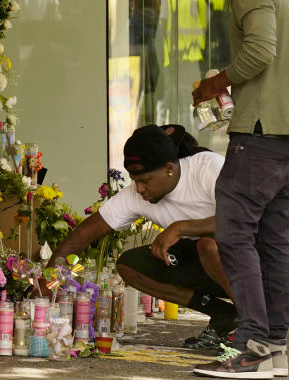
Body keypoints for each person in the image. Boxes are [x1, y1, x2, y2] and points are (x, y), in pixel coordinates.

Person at [191, 0, 289, 380]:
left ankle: (253, 344)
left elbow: (261, 51)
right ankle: (274, 343)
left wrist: (216, 82)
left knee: (234, 233)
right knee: (272, 237)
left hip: (259, 133)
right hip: (288, 130)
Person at [47, 124, 238, 348]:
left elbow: (241, 220)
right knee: (130, 266)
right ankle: (226, 315)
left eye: (145, 180)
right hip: (211, 266)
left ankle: (255, 324)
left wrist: (180, 228)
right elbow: (83, 235)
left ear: (169, 168)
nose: (139, 189)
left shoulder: (208, 167)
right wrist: (47, 280)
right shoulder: (136, 195)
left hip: (260, 265)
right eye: (134, 180)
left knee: (208, 245)